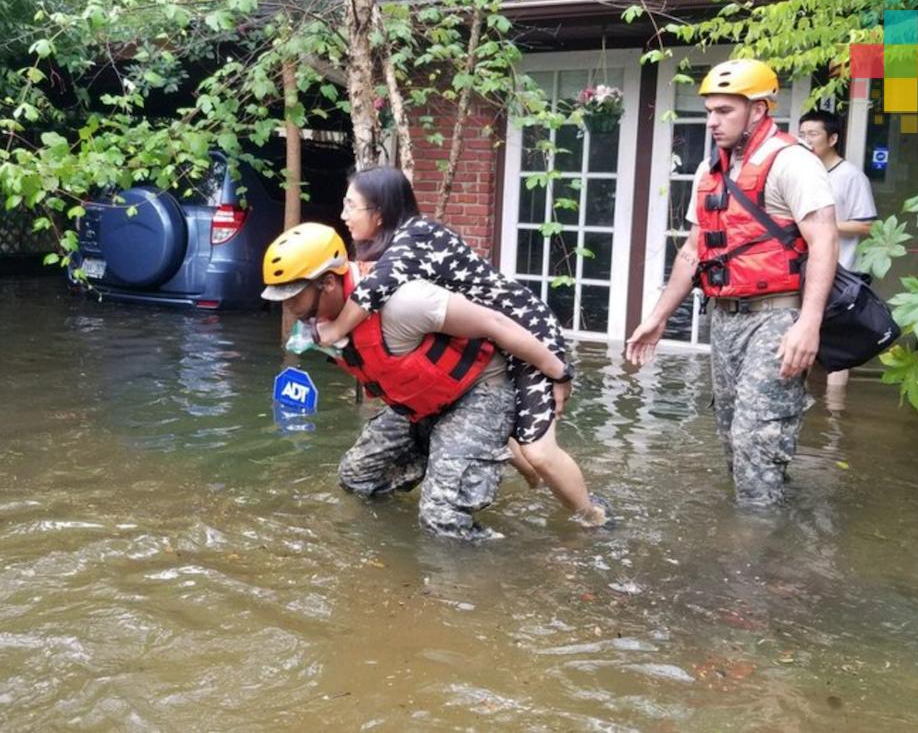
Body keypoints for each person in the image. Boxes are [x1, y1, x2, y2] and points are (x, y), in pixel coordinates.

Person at [262, 222, 597, 540]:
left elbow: (497, 323)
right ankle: (478, 456)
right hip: (423, 405)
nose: (291, 310)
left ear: (329, 283)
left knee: (442, 520)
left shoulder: (404, 302)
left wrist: (558, 371)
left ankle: (508, 557)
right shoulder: (326, 324)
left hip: (479, 391)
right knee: (357, 479)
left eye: (294, 299)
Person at [314, 166, 608, 525]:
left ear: (380, 212)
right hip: (494, 334)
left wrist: (560, 373)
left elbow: (368, 294)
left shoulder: (415, 237)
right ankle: (529, 476)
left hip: (524, 328)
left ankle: (593, 517)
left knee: (540, 451)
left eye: (350, 206)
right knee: (512, 434)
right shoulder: (394, 245)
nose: (343, 215)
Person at [626, 59, 839, 507]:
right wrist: (658, 318)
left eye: (724, 110)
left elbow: (824, 243)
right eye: (709, 110)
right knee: (730, 437)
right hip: (724, 319)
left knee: (757, 438)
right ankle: (756, 533)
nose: (712, 121)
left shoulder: (792, 163)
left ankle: (760, 553)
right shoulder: (710, 173)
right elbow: (693, 251)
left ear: (759, 110)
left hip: (777, 317)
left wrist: (809, 324)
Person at [797, 109, 878, 388]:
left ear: (832, 138)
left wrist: (824, 225)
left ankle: (834, 415)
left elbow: (867, 226)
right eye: (802, 134)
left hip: (841, 271)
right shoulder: (802, 173)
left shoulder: (851, 176)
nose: (806, 140)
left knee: (837, 342)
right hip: (802, 270)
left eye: (813, 134)